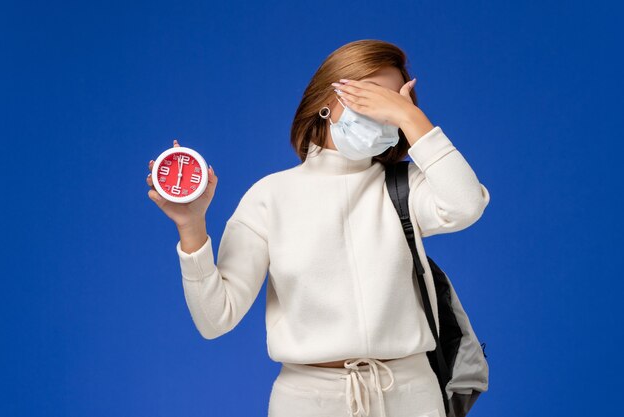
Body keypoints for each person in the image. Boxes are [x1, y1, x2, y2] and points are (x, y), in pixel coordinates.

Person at [145, 39, 490, 417]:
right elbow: (215, 319)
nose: (383, 113)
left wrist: (413, 121)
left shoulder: (406, 187)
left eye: (395, 103)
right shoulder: (270, 196)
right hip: (308, 402)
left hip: (412, 396)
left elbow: (466, 204)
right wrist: (191, 225)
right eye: (369, 97)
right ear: (326, 103)